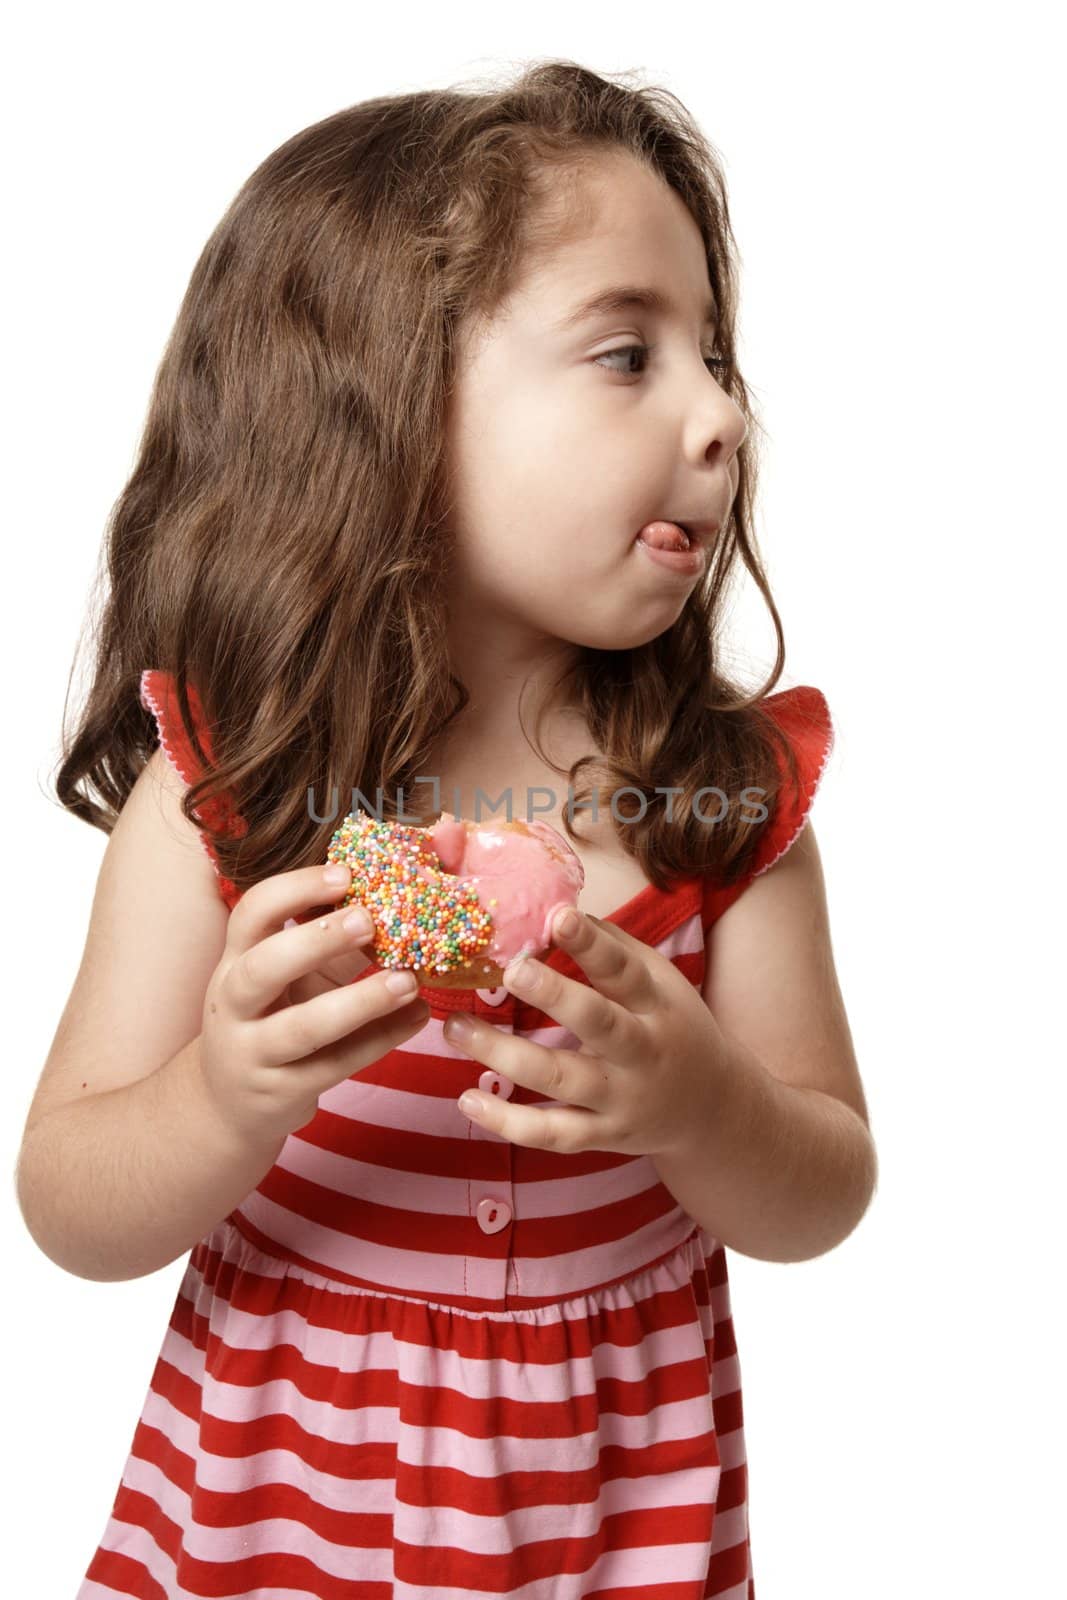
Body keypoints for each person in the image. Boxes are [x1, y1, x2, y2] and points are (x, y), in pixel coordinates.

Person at [17, 59, 877, 1600]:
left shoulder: (715, 803)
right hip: (283, 1509)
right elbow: (72, 1206)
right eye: (630, 353)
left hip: (613, 1517)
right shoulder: (238, 795)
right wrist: (222, 1096)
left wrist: (704, 1105)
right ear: (389, 400)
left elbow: (828, 1187)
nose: (722, 416)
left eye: (716, 358)